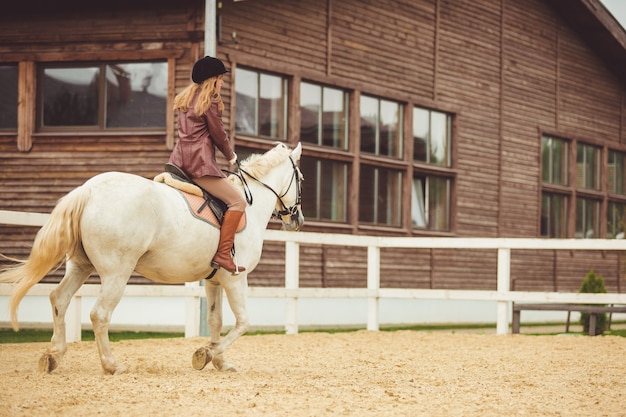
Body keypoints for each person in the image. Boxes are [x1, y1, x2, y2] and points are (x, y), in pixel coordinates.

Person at [168, 56, 246, 274]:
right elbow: (219, 135)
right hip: (199, 165)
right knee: (238, 202)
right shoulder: (210, 101)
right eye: (220, 79)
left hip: (179, 161)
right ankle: (222, 254)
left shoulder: (184, 100)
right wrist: (231, 157)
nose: (222, 84)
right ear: (212, 80)